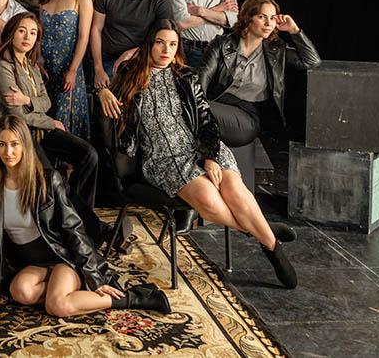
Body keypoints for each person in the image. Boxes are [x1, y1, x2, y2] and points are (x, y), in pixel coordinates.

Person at [98, 20, 298, 289]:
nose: (166, 50)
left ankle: (272, 251)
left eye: (172, 44)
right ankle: (267, 235)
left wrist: (211, 156)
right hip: (164, 159)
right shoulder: (130, 75)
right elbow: (102, 90)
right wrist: (102, 93)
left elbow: (206, 121)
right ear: (149, 44)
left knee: (236, 194)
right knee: (210, 202)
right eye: (160, 42)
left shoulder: (186, 77)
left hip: (202, 147)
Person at [0, 116, 171, 316]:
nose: (8, 152)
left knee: (57, 306)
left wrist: (94, 278)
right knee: (21, 292)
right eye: (2, 144)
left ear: (26, 146)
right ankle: (70, 294)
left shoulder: (48, 181)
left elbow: (74, 229)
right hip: (31, 263)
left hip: (62, 257)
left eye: (15, 144)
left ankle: (136, 297)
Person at [0, 13, 99, 207]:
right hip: (20, 134)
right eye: (22, 31)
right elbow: (17, 114)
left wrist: (27, 99)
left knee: (88, 155)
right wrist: (50, 121)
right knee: (52, 177)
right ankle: (77, 222)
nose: (27, 37)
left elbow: (46, 102)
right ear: (11, 34)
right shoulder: (2, 68)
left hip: (39, 130)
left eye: (33, 33)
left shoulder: (32, 67)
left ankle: (79, 213)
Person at [198, 0, 321, 149]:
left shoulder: (276, 51)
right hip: (217, 105)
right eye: (262, 17)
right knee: (194, 108)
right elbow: (201, 80)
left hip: (247, 117)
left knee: (193, 110)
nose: (269, 23)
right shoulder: (222, 44)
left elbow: (312, 61)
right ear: (247, 18)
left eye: (273, 18)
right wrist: (197, 104)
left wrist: (294, 30)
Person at [90, 0, 187, 90]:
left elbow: (165, 38)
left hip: (142, 59)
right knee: (104, 100)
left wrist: (134, 52)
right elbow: (96, 29)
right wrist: (98, 68)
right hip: (106, 58)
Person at [37, 0, 93, 138]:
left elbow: (84, 37)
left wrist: (72, 69)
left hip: (68, 67)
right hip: (44, 68)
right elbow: (39, 35)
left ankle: (69, 167)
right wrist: (37, 62)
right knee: (46, 119)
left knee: (65, 121)